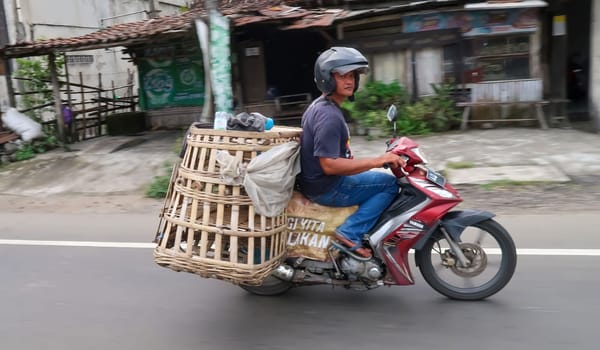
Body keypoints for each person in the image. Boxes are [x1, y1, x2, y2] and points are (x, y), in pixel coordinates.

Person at [298, 47, 406, 258]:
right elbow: (329, 165)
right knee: (390, 185)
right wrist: (377, 161)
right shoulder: (328, 116)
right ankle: (350, 232)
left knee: (377, 178)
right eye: (341, 76)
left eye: (352, 76)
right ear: (327, 79)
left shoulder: (322, 106)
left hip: (319, 182)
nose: (349, 81)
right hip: (326, 187)